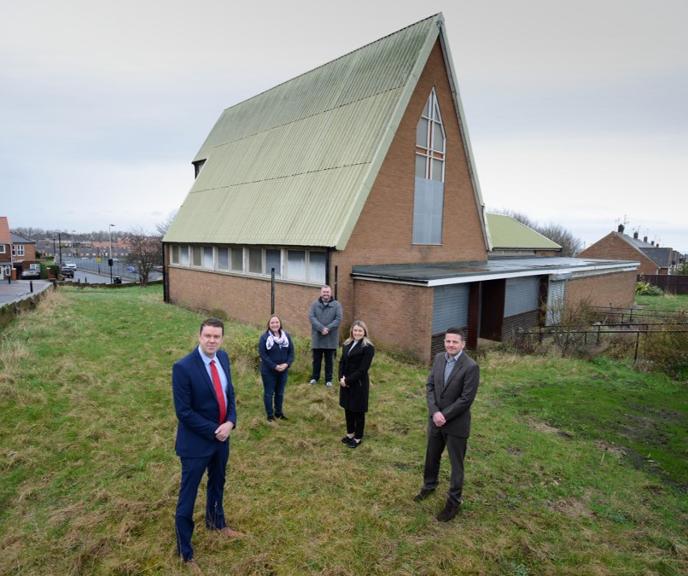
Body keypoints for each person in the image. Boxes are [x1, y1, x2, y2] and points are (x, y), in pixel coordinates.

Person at [172, 318, 243, 570]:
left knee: (217, 482)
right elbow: (184, 412)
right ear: (199, 336)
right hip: (196, 444)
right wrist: (215, 430)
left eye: (217, 336)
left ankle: (216, 522)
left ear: (222, 338)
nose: (212, 340)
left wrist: (231, 422)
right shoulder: (183, 367)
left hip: (222, 439)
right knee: (187, 496)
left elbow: (229, 394)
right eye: (208, 336)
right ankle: (186, 551)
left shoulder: (222, 358)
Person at [414, 327, 479, 522]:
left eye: (454, 342)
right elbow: (430, 386)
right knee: (431, 456)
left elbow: (466, 398)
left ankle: (453, 503)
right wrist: (435, 412)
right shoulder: (439, 358)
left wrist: (445, 415)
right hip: (436, 421)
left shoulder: (470, 367)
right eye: (447, 341)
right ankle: (429, 486)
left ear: (462, 344)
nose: (450, 345)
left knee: (456, 465)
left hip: (456, 425)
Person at [338, 320, 375, 448]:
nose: (357, 333)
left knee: (358, 411)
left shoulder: (368, 347)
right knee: (348, 409)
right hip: (345, 382)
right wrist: (341, 378)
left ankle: (358, 438)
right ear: (351, 331)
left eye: (360, 330)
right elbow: (342, 362)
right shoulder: (347, 344)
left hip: (358, 384)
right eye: (355, 330)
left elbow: (362, 369)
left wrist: (347, 381)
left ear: (364, 332)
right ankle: (350, 434)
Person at [258, 315, 295, 422]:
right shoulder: (264, 338)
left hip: (283, 371)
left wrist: (286, 364)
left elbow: (291, 353)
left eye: (277, 322)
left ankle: (279, 413)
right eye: (272, 323)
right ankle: (270, 415)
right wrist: (275, 366)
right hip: (268, 371)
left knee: (280, 393)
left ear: (280, 324)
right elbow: (263, 355)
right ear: (269, 325)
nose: (275, 324)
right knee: (269, 393)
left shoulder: (286, 336)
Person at [308, 284, 343, 387]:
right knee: (316, 360)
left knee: (329, 361)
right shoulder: (314, 305)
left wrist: (328, 328)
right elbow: (311, 317)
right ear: (321, 293)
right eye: (324, 292)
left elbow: (338, 319)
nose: (326, 294)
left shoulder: (337, 305)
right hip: (317, 337)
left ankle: (329, 380)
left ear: (330, 293)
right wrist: (321, 328)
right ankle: (315, 378)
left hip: (330, 338)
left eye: (327, 292)